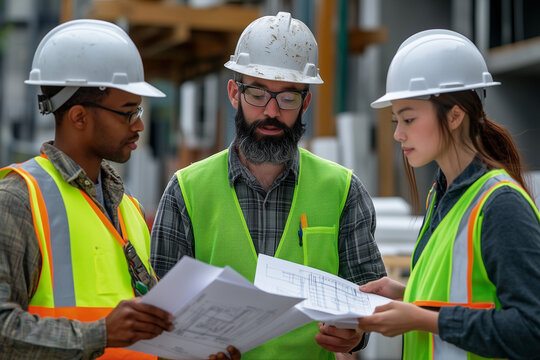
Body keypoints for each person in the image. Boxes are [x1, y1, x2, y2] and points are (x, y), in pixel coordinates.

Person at [150, 11, 386, 359]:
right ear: (234, 93)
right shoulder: (186, 190)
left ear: (305, 102)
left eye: (288, 97)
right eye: (258, 94)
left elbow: (369, 299)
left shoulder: (342, 190)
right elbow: (157, 314)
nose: (272, 112)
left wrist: (356, 336)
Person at [0, 19, 240, 360]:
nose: (139, 125)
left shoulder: (128, 209)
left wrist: (195, 351)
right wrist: (100, 334)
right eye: (128, 113)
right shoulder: (18, 201)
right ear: (79, 117)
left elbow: (146, 333)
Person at [358, 29, 540, 359]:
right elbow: (462, 296)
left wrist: (422, 318)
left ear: (455, 115)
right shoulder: (442, 196)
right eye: (395, 120)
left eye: (409, 119)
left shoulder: (500, 206)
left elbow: (531, 329)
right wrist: (405, 295)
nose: (399, 134)